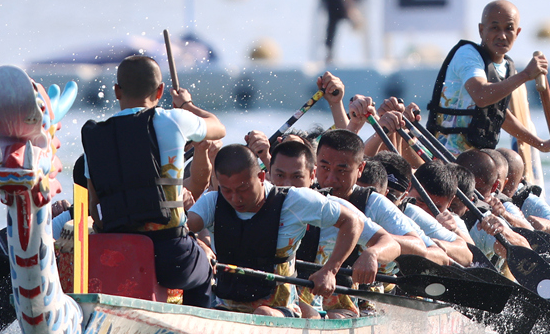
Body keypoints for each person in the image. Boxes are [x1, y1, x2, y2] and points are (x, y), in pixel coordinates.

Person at [80, 55, 226, 308]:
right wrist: (187, 105)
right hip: (172, 254)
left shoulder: (94, 136)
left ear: (117, 91)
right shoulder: (173, 119)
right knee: (204, 267)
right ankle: (193, 328)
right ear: (160, 91)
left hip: (116, 253)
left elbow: (94, 206)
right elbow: (218, 128)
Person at [187, 144, 370, 317]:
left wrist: (330, 270)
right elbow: (180, 229)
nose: (235, 198)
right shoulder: (212, 202)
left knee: (263, 313)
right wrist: (200, 245)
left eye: (243, 189)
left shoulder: (294, 201)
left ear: (261, 177)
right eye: (227, 190)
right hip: (224, 306)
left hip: (281, 309)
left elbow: (353, 222)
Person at [267, 140, 399, 318]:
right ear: (268, 175)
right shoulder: (252, 203)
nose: (288, 185)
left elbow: (391, 243)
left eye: (297, 177)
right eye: (280, 176)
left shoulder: (334, 209)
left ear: (312, 176)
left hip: (326, 308)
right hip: (270, 301)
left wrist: (372, 254)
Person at [425, 0, 550, 156]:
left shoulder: (506, 68)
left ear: (517, 33)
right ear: (481, 30)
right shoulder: (467, 55)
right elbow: (481, 95)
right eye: (495, 28)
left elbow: (500, 116)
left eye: (509, 29)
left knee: (512, 160)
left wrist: (541, 144)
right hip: (444, 155)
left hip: (478, 157)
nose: (502, 35)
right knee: (507, 159)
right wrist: (526, 75)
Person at [314, 129, 450, 266]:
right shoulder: (305, 196)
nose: (330, 179)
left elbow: (436, 254)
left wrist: (376, 243)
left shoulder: (374, 204)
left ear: (360, 169)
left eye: (341, 170)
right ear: (315, 165)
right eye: (324, 167)